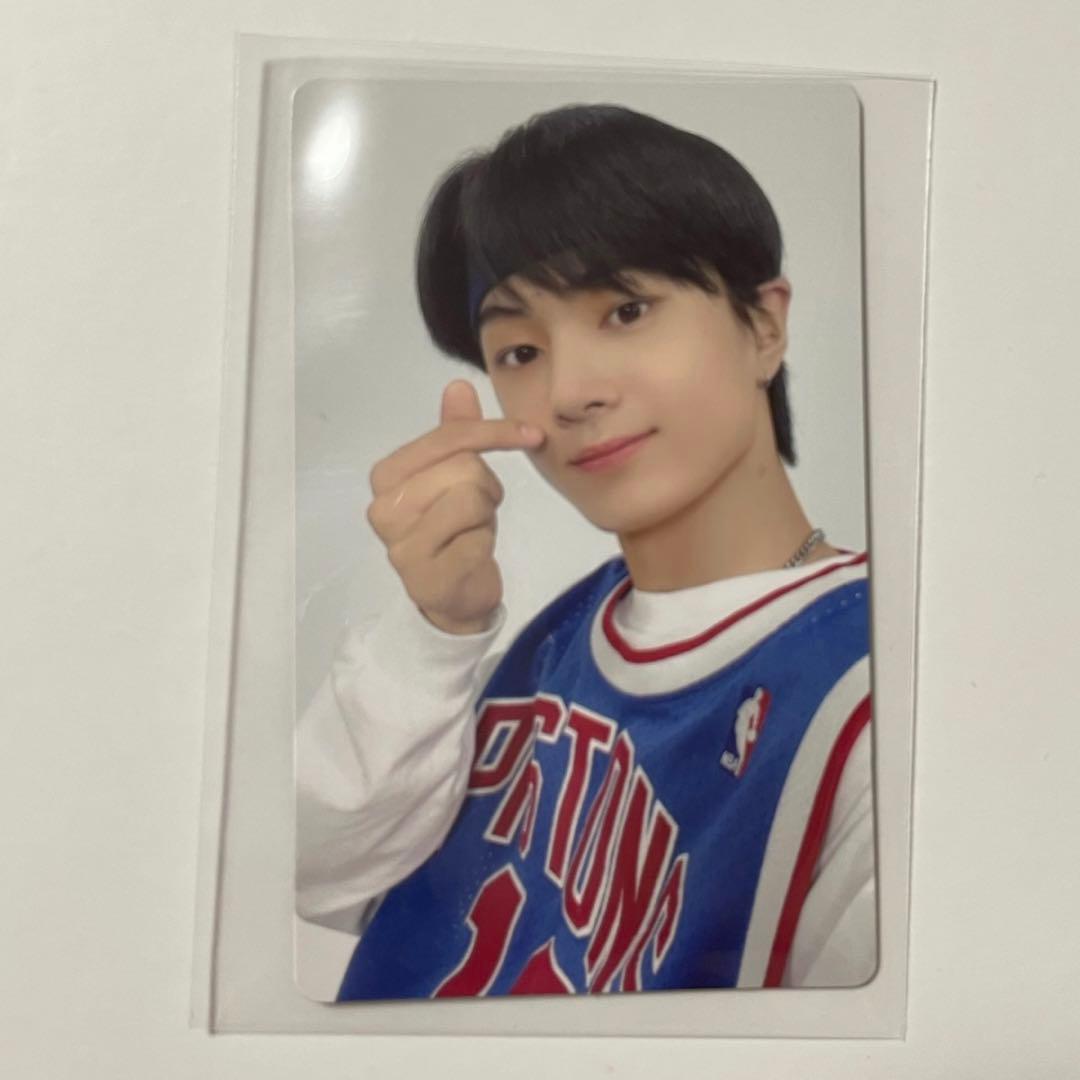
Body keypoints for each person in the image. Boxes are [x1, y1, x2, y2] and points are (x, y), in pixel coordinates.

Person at [296, 103, 876, 1000]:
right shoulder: (547, 643)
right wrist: (438, 630)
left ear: (764, 327)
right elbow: (314, 871)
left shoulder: (876, 691)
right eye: (520, 350)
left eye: (626, 309)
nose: (568, 391)